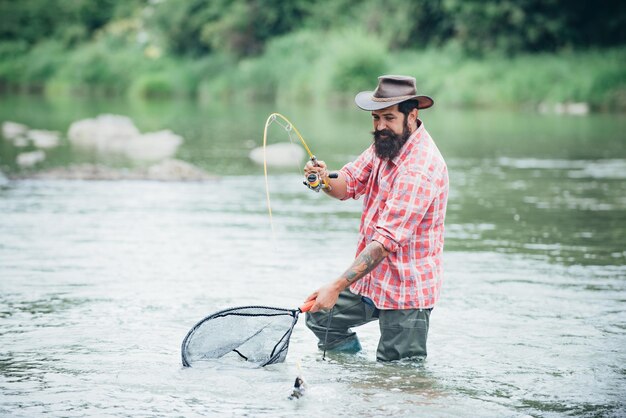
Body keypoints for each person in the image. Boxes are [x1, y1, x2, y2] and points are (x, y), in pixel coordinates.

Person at [303, 75, 449, 361]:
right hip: (373, 280)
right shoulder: (386, 144)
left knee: (398, 375)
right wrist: (322, 180)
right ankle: (356, 377)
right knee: (321, 319)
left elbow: (383, 243)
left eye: (389, 117)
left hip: (407, 290)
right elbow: (351, 182)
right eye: (375, 118)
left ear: (412, 116)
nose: (380, 126)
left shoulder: (419, 169)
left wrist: (335, 286)